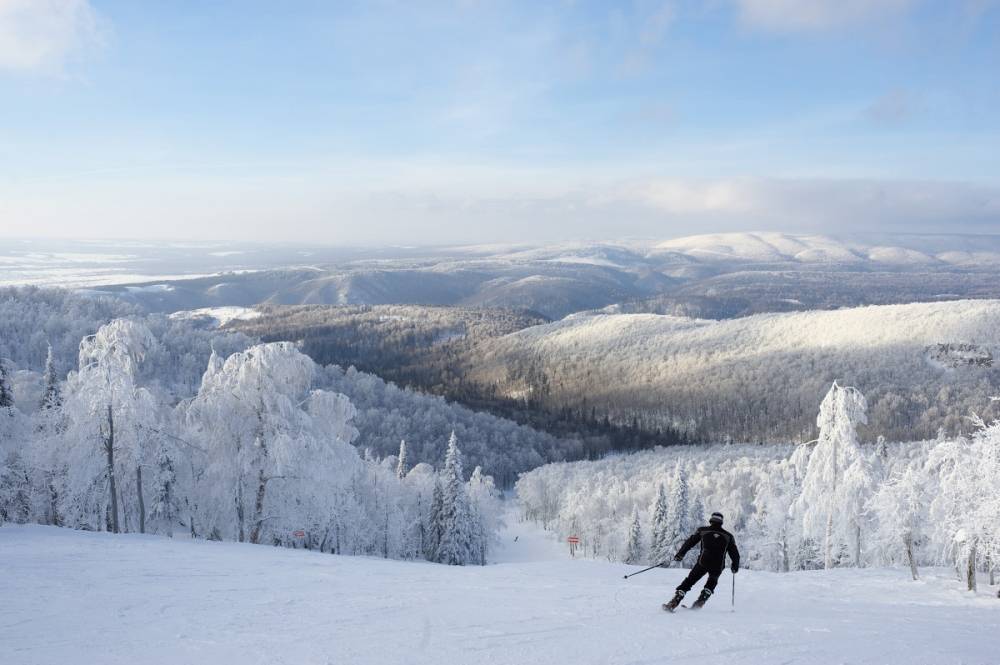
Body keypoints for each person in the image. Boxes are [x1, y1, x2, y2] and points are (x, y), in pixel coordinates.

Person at [663, 512, 740, 611]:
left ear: (711, 520)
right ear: (721, 522)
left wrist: (680, 554)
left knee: (689, 581)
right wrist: (735, 566)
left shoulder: (703, 531)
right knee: (712, 582)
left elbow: (689, 543)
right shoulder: (728, 536)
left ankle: (674, 602)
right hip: (718, 564)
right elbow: (735, 553)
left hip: (703, 562)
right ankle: (699, 603)